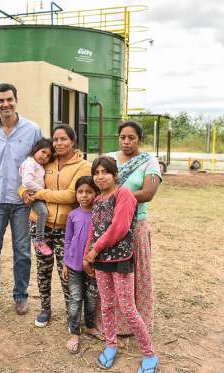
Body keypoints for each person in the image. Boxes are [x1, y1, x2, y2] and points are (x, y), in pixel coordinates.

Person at [83, 156, 159, 372]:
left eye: (105, 172)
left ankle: (149, 354)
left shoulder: (123, 194)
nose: (100, 177)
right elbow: (94, 228)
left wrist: (95, 250)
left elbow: (120, 227)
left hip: (120, 261)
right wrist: (87, 254)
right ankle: (110, 344)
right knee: (106, 306)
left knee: (127, 308)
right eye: (96, 173)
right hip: (100, 262)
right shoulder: (97, 200)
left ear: (115, 174)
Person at [0, 83, 42, 315]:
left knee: (22, 251)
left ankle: (21, 296)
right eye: (1, 100)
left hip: (23, 202)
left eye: (9, 99)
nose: (5, 104)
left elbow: (42, 160)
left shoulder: (33, 130)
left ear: (16, 99)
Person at [19, 124, 91, 328]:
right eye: (56, 139)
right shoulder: (46, 160)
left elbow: (70, 195)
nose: (58, 143)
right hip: (40, 224)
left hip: (66, 227)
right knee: (43, 269)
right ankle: (45, 309)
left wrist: (39, 194)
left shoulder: (83, 166)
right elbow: (26, 180)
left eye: (63, 139)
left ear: (73, 141)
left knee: (67, 271)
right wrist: (22, 192)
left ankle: (72, 312)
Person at [107, 121, 162, 334]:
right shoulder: (110, 158)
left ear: (139, 139)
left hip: (135, 225)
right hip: (108, 224)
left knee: (135, 272)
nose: (126, 142)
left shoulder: (149, 162)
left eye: (131, 138)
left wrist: (114, 197)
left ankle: (137, 321)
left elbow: (148, 193)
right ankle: (112, 322)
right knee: (110, 273)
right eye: (123, 137)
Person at [63, 176, 102, 354]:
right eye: (80, 192)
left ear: (96, 193)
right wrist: (65, 262)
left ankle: (90, 326)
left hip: (95, 266)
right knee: (76, 298)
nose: (84, 196)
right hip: (73, 266)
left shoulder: (99, 215)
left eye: (89, 192)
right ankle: (74, 333)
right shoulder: (72, 215)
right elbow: (68, 240)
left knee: (92, 298)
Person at [19, 138, 54, 256]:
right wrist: (44, 191)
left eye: (48, 155)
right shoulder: (30, 163)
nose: (45, 157)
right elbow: (27, 182)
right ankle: (39, 240)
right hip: (34, 195)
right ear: (36, 149)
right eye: (43, 152)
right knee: (43, 212)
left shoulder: (37, 164)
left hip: (38, 194)